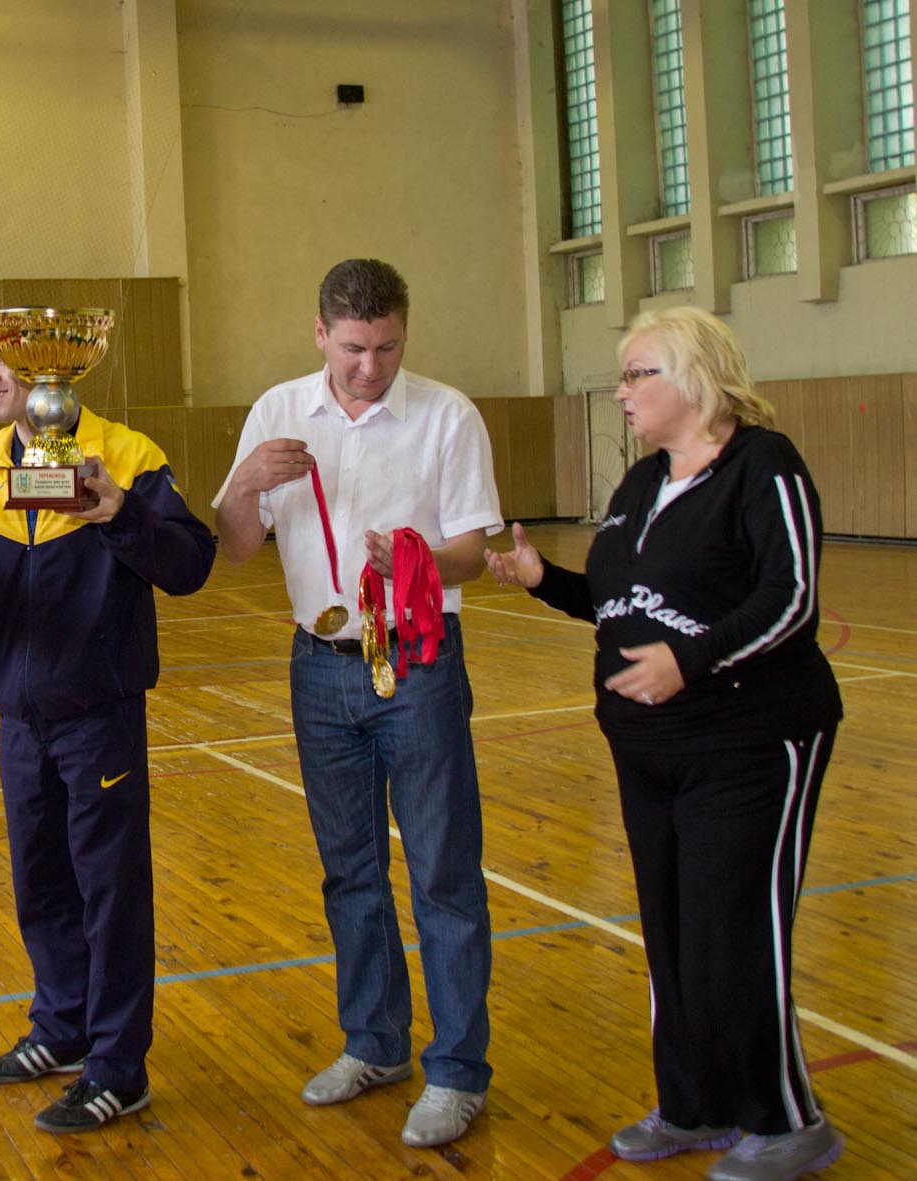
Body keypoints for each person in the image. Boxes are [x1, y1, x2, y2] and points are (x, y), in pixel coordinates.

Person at [486, 307, 844, 1181]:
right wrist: (544, 581)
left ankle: (788, 1119)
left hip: (751, 738)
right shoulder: (641, 483)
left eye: (637, 374)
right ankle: (693, 1103)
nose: (621, 392)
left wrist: (690, 661)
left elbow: (792, 598)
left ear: (695, 377)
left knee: (735, 930)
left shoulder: (763, 465)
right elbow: (621, 601)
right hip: (648, 748)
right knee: (674, 931)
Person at [0, 329, 215, 1134]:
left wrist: (120, 513)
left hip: (100, 716)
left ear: (50, 368)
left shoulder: (128, 457)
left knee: (110, 893)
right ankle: (62, 1026)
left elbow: (190, 563)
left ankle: (117, 1068)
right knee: (40, 885)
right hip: (19, 719)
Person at [212, 258, 500, 1148]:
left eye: (387, 347)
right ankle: (375, 1043)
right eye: (353, 349)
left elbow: (474, 551)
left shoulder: (447, 415)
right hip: (320, 663)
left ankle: (457, 1070)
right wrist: (246, 481)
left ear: (403, 333)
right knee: (351, 869)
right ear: (320, 334)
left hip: (418, 661)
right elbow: (235, 547)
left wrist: (416, 559)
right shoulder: (277, 410)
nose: (370, 366)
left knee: (443, 870)